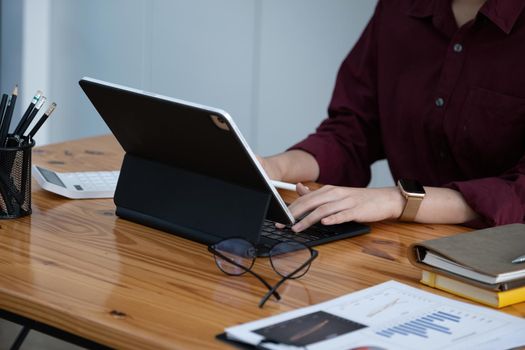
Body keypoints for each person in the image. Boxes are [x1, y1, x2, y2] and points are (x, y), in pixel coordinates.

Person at [259, 0, 525, 232]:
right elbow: (352, 131)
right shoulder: (398, 8)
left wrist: (398, 200)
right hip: (406, 243)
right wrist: (276, 167)